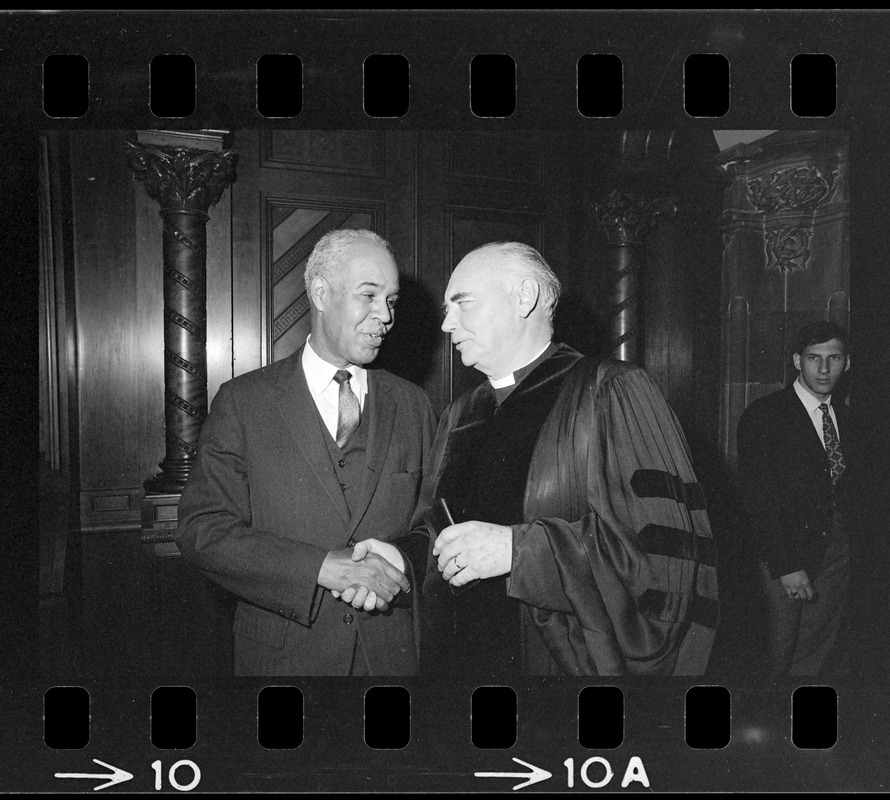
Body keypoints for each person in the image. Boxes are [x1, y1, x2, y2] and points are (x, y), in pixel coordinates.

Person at [352, 242, 718, 677]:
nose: (447, 324)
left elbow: (666, 562)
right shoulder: (460, 413)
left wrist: (518, 552)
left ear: (524, 297)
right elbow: (442, 530)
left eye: (462, 303)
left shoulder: (610, 392)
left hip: (556, 672)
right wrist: (403, 560)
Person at [175, 229, 436, 676]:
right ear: (319, 292)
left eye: (391, 300)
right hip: (283, 666)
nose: (385, 316)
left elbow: (433, 525)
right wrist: (320, 568)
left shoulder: (414, 404)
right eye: (368, 295)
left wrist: (401, 563)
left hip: (393, 661)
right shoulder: (243, 402)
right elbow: (203, 529)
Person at [737, 321, 854, 677]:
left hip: (836, 552)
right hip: (782, 555)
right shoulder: (765, 415)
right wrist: (785, 565)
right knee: (775, 654)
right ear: (796, 361)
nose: (823, 368)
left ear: (846, 363)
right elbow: (758, 499)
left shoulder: (849, 418)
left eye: (833, 358)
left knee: (815, 654)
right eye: (812, 358)